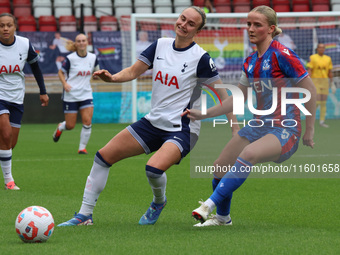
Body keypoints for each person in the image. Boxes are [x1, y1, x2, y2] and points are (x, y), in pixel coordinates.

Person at [57, 6, 239, 226]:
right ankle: (84, 216)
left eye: (191, 23)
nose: (184, 24)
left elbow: (224, 95)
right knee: (103, 157)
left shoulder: (200, 58)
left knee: (153, 169)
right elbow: (134, 71)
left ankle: (158, 202)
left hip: (182, 128)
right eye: (182, 19)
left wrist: (235, 130)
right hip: (153, 122)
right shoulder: (160, 45)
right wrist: (112, 78)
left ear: (197, 31)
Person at [182, 5, 317, 226]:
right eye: (248, 24)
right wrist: (203, 114)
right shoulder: (251, 61)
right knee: (219, 167)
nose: (250, 29)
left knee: (248, 153)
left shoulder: (282, 55)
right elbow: (236, 99)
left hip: (286, 128)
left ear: (271, 29)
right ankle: (223, 219)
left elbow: (310, 90)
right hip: (259, 126)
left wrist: (309, 131)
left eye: (257, 25)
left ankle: (207, 206)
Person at [0, 13, 49, 190]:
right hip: (0, 98)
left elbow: (36, 68)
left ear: (15, 27)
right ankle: (9, 181)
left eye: (8, 25)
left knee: (10, 143)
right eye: (1, 25)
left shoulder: (25, 44)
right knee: (5, 135)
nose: (5, 28)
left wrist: (43, 91)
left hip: (17, 97)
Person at [52, 34, 99, 154]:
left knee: (87, 122)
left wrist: (99, 75)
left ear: (87, 42)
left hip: (86, 94)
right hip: (71, 94)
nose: (81, 43)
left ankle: (82, 148)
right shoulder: (70, 58)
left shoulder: (93, 57)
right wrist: (65, 84)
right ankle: (61, 127)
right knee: (70, 125)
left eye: (83, 40)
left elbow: (96, 71)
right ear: (76, 44)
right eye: (79, 41)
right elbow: (60, 72)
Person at [307, 43, 335, 128]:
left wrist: (332, 83)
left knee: (324, 102)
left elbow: (329, 72)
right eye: (320, 47)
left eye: (323, 48)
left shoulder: (328, 58)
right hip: (316, 82)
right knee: (317, 101)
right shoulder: (313, 57)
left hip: (325, 82)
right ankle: (311, 119)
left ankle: (322, 121)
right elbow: (310, 70)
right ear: (317, 48)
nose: (321, 49)